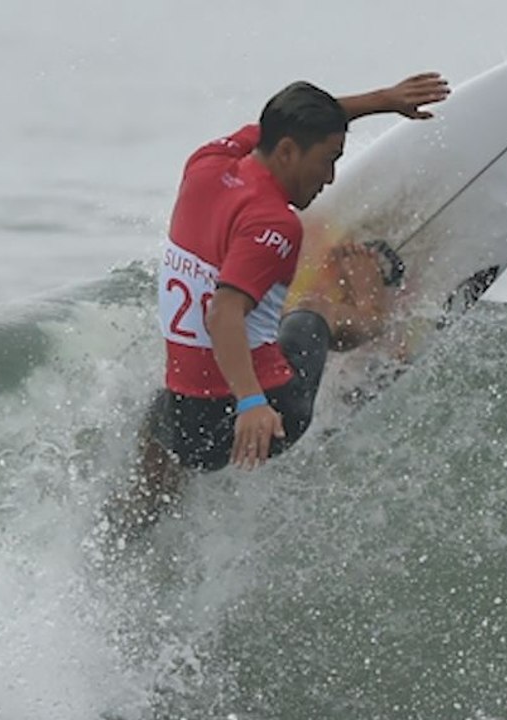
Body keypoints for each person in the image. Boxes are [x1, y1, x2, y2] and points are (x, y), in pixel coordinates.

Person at [110, 73, 450, 532]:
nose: (330, 178)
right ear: (288, 151)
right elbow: (223, 313)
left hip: (184, 414)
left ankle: (127, 533)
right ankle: (371, 310)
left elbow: (274, 126)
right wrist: (252, 403)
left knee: (157, 448)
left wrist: (382, 101)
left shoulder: (207, 164)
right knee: (311, 306)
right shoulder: (275, 224)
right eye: (327, 161)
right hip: (269, 410)